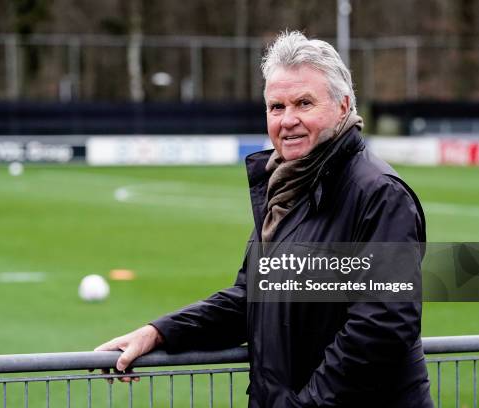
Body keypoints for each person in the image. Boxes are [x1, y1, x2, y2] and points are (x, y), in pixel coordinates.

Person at [95, 31, 432, 407]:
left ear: (343, 107)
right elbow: (248, 299)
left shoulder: (379, 193)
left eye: (304, 103)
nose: (288, 120)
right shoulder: (290, 188)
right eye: (277, 107)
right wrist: (159, 333)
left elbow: (382, 326)